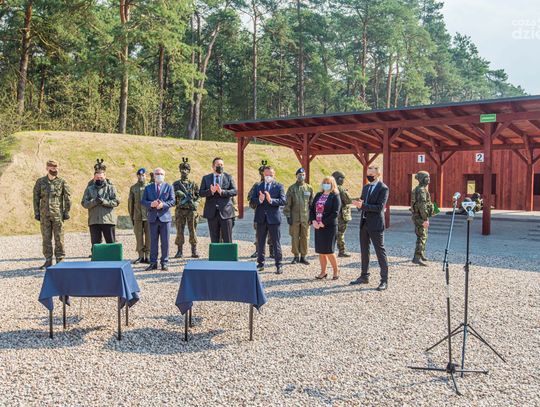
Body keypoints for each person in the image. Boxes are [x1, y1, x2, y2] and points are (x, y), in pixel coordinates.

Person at [350, 166, 389, 291]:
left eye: (371, 174)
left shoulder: (383, 188)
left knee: (380, 252)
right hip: (364, 223)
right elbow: (362, 203)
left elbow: (379, 207)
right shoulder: (366, 187)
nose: (369, 176)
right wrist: (358, 205)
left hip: (376, 224)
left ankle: (384, 280)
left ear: (378, 175)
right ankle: (364, 276)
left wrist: (363, 205)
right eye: (368, 174)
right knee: (364, 251)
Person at [33, 160, 72, 269]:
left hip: (58, 215)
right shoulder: (40, 182)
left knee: (59, 238)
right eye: (52, 167)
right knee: (46, 239)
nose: (55, 169)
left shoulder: (62, 182)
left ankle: (60, 260)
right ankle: (48, 260)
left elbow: (68, 198)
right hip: (44, 215)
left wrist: (66, 212)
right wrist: (37, 212)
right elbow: (35, 198)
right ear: (47, 168)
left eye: (56, 167)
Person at [250, 166, 286, 274]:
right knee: (261, 242)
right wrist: (259, 200)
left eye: (270, 175)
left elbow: (283, 201)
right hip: (261, 218)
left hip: (274, 219)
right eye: (266, 175)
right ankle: (260, 263)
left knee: (276, 242)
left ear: (274, 175)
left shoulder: (279, 186)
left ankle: (279, 264)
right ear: (263, 175)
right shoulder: (258, 186)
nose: (268, 176)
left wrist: (271, 200)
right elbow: (252, 200)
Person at [142, 167, 175, 271]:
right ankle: (153, 263)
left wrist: (163, 205)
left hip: (165, 218)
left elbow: (173, 201)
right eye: (157, 174)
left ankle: (164, 262)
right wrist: (150, 204)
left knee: (165, 242)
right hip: (152, 218)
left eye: (161, 174)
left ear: (164, 176)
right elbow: (143, 201)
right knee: (153, 242)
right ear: (154, 175)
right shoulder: (148, 188)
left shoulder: (169, 187)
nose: (159, 175)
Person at [309, 176, 341, 280]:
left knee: (329, 251)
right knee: (321, 251)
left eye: (328, 183)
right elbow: (312, 209)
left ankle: (336, 271)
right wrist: (313, 220)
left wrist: (323, 222)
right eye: (324, 182)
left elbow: (335, 213)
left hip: (329, 227)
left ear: (332, 184)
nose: (326, 184)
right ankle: (323, 272)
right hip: (318, 226)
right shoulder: (318, 195)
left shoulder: (335, 196)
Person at [199, 157, 237, 243]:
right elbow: (201, 193)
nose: (220, 166)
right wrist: (210, 191)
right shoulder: (206, 178)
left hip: (226, 212)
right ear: (213, 166)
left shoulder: (228, 177)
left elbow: (234, 191)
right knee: (214, 239)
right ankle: (216, 252)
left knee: (227, 239)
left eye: (222, 165)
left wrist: (222, 192)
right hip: (212, 212)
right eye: (218, 165)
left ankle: (227, 252)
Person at [81, 165, 120, 247]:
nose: (99, 179)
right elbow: (84, 203)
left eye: (101, 178)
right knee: (95, 246)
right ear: (94, 178)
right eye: (97, 178)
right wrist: (94, 202)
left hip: (108, 220)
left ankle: (111, 256)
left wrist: (103, 202)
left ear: (105, 177)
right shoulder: (89, 189)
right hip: (94, 221)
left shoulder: (111, 188)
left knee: (111, 245)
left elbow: (116, 202)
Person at [283, 168, 314, 265]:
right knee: (295, 237)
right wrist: (288, 216)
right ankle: (296, 256)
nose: (301, 176)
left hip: (306, 218)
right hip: (294, 217)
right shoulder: (292, 188)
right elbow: (287, 203)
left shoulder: (309, 188)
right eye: (300, 175)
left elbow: (312, 204)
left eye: (303, 174)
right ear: (296, 176)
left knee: (305, 237)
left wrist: (312, 217)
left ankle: (303, 256)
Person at [173, 158, 200, 258]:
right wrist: (177, 194)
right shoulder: (176, 184)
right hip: (180, 210)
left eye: (186, 169)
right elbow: (171, 198)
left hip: (191, 210)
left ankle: (194, 250)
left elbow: (198, 196)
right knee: (179, 230)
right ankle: (179, 251)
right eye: (182, 169)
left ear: (189, 171)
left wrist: (196, 203)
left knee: (192, 230)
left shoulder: (193, 184)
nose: (184, 171)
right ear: (180, 170)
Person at [248, 162, 273, 258]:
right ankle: (258, 251)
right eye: (263, 173)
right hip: (259, 212)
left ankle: (272, 251)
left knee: (271, 233)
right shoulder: (257, 185)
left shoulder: (274, 185)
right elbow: (250, 198)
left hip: (270, 213)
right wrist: (257, 200)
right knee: (259, 233)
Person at [410, 171, 434, 266]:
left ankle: (421, 253)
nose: (429, 179)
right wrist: (425, 219)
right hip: (420, 217)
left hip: (418, 216)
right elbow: (422, 206)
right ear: (422, 179)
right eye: (427, 177)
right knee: (421, 237)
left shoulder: (419, 189)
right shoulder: (421, 190)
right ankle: (417, 258)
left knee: (423, 235)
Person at [128, 168, 150, 264]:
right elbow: (130, 204)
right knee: (139, 236)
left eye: (143, 175)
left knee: (149, 237)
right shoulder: (133, 188)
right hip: (137, 216)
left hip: (149, 216)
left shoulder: (150, 187)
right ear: (137, 176)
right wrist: (132, 216)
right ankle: (140, 256)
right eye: (139, 175)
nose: (141, 177)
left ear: (146, 176)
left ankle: (148, 256)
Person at [332, 171, 353, 257]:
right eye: (342, 178)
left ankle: (330, 250)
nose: (343, 180)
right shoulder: (340, 188)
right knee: (340, 233)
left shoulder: (330, 187)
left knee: (333, 233)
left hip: (334, 214)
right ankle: (342, 251)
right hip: (341, 215)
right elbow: (348, 200)